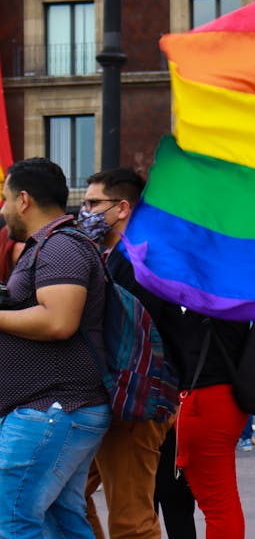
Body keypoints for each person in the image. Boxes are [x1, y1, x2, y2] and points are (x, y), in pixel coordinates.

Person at [0, 157, 112, 536]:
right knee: (61, 522)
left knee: (12, 519)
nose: (3, 209)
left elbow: (59, 321)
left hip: (53, 408)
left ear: (24, 200)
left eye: (5, 198)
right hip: (57, 409)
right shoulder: (48, 246)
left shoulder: (60, 246)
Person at [80, 168, 175, 539]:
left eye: (92, 203)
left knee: (131, 520)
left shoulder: (142, 260)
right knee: (60, 496)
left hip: (135, 400)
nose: (84, 211)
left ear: (122, 208)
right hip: (111, 399)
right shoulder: (115, 256)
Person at [154, 280, 250, 537]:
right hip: (226, 400)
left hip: (203, 402)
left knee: (218, 504)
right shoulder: (234, 295)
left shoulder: (201, 303)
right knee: (221, 502)